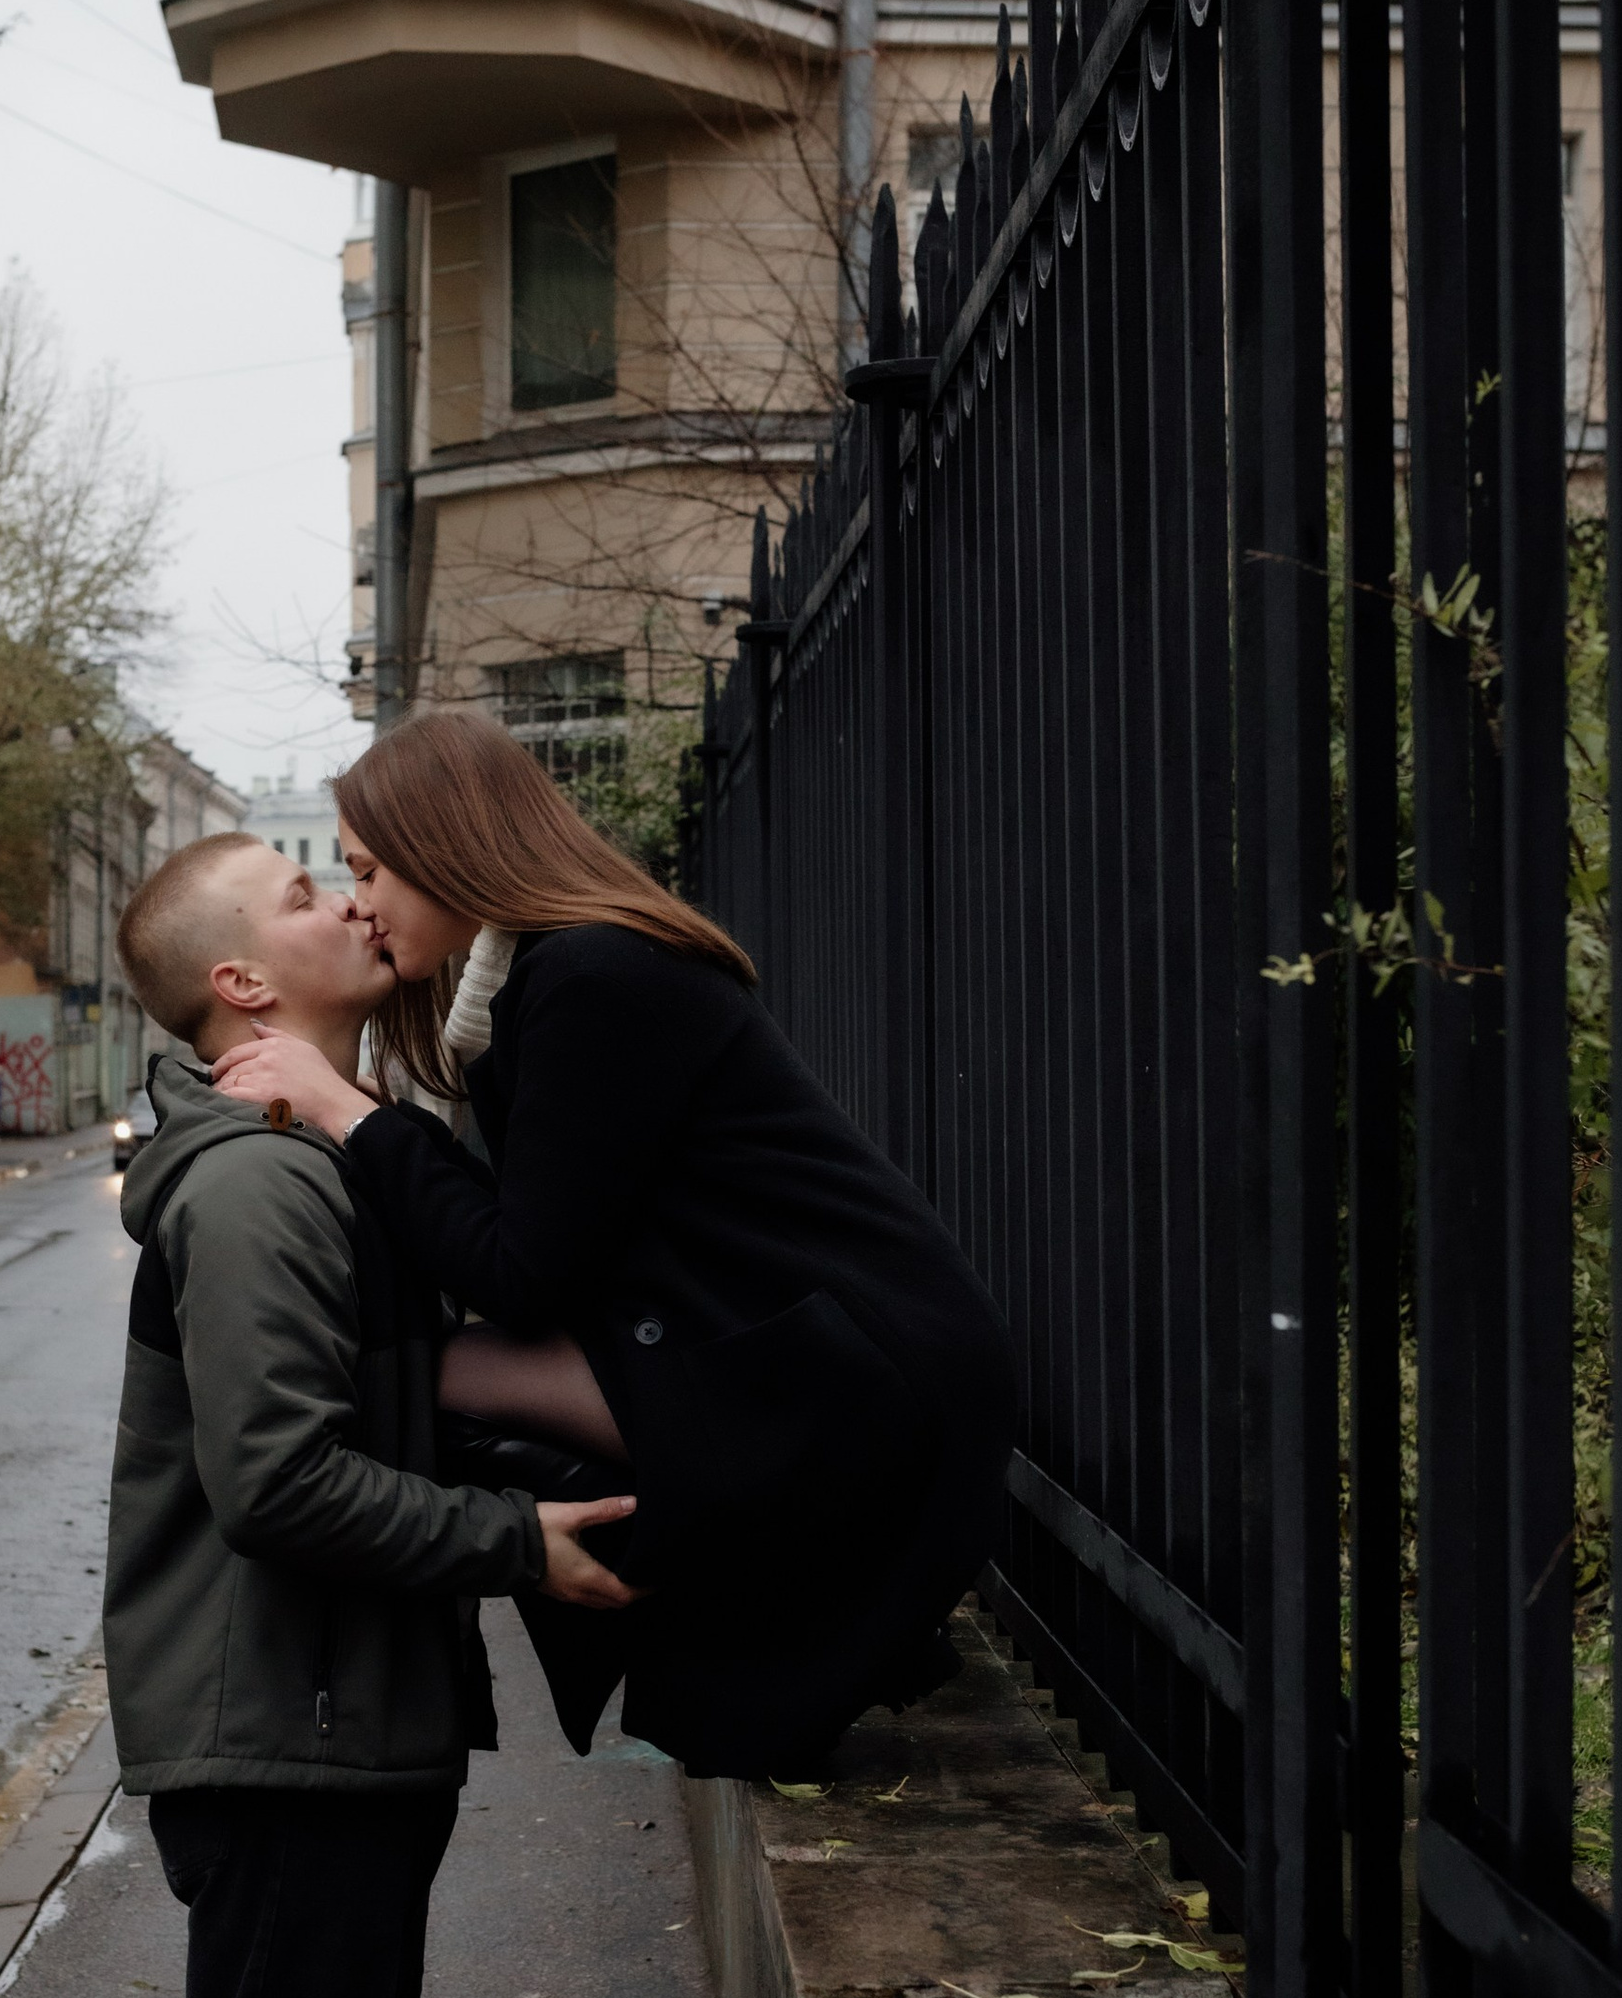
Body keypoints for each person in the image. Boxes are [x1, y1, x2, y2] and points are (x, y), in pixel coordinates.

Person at [103, 831, 639, 1998]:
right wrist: (519, 1550)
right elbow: (278, 1482)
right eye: (302, 890)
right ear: (240, 984)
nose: (349, 901)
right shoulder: (253, 1192)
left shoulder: (308, 1150)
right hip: (282, 1733)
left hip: (333, 1719)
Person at [208, 708, 1020, 1780]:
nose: (360, 901)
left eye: (368, 869)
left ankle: (683, 1585)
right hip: (797, 1353)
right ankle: (742, 1600)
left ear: (451, 847)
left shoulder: (595, 976)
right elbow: (543, 1238)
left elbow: (523, 1272)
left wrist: (352, 1116)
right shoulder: (563, 975)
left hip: (861, 1382)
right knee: (420, 1383)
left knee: (411, 1390)